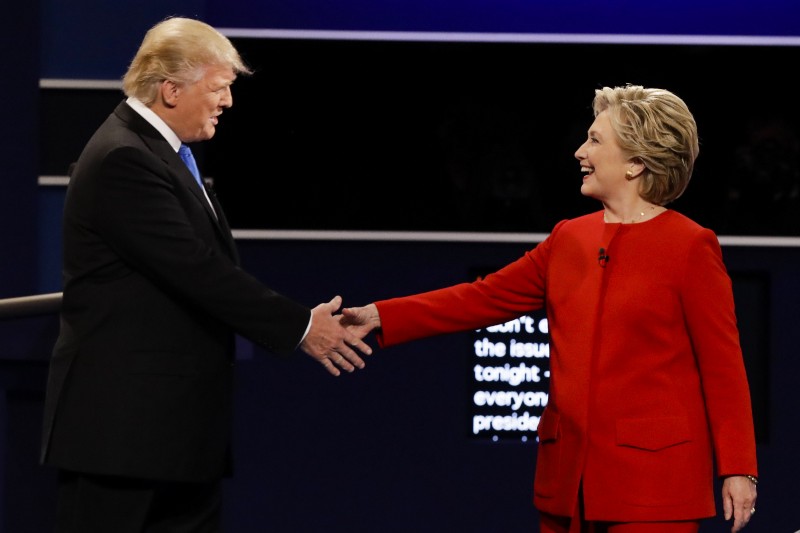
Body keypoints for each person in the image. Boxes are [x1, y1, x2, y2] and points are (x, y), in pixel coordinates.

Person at [342, 85, 758, 533]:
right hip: (567, 482)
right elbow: (482, 298)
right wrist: (382, 315)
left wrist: (738, 468)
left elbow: (723, 367)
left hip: (651, 487)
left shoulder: (690, 246)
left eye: (596, 141)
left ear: (636, 163)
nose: (580, 151)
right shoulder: (568, 238)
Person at [39, 16, 371, 533]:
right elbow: (199, 271)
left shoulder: (164, 155)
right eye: (218, 88)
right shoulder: (123, 159)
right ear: (171, 90)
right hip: (122, 438)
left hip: (173, 435)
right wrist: (302, 328)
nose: (228, 102)